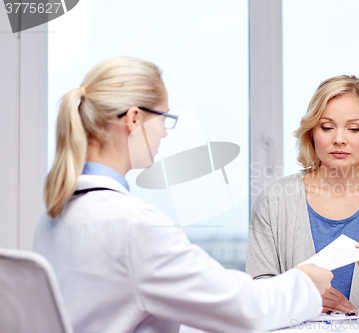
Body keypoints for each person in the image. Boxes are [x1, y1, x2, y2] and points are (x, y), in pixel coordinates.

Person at [33, 57, 333, 333]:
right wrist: (305, 281)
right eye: (164, 118)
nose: (164, 133)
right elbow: (245, 310)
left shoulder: (54, 216)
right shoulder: (133, 225)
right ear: (134, 119)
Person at [246, 75, 359, 312]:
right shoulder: (274, 200)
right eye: (327, 127)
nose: (339, 139)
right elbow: (257, 292)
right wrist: (302, 298)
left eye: (354, 128)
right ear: (311, 133)